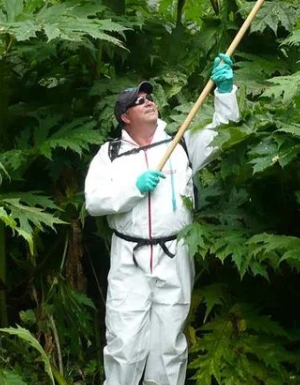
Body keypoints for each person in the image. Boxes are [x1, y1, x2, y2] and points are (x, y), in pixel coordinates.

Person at [84, 54, 240, 385]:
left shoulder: (181, 143)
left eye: (150, 97)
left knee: (169, 348)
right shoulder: (109, 155)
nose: (149, 102)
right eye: (139, 101)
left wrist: (225, 91)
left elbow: (224, 132)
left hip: (174, 254)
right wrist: (133, 187)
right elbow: (94, 201)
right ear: (125, 117)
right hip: (129, 260)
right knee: (125, 345)